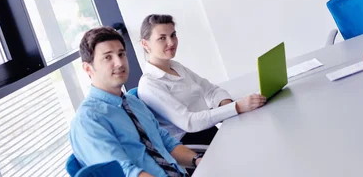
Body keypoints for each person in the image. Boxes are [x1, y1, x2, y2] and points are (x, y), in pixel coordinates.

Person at [70, 26, 201, 177]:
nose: (119, 63)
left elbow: (165, 142)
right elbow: (126, 173)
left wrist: (197, 160)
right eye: (108, 57)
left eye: (121, 54)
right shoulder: (88, 121)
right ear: (88, 69)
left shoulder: (133, 102)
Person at [138, 14, 266, 146]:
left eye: (173, 35)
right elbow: (189, 122)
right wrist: (237, 107)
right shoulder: (149, 84)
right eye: (162, 38)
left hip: (209, 131)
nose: (171, 42)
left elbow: (211, 90)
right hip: (193, 145)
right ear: (145, 44)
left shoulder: (176, 66)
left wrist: (226, 104)